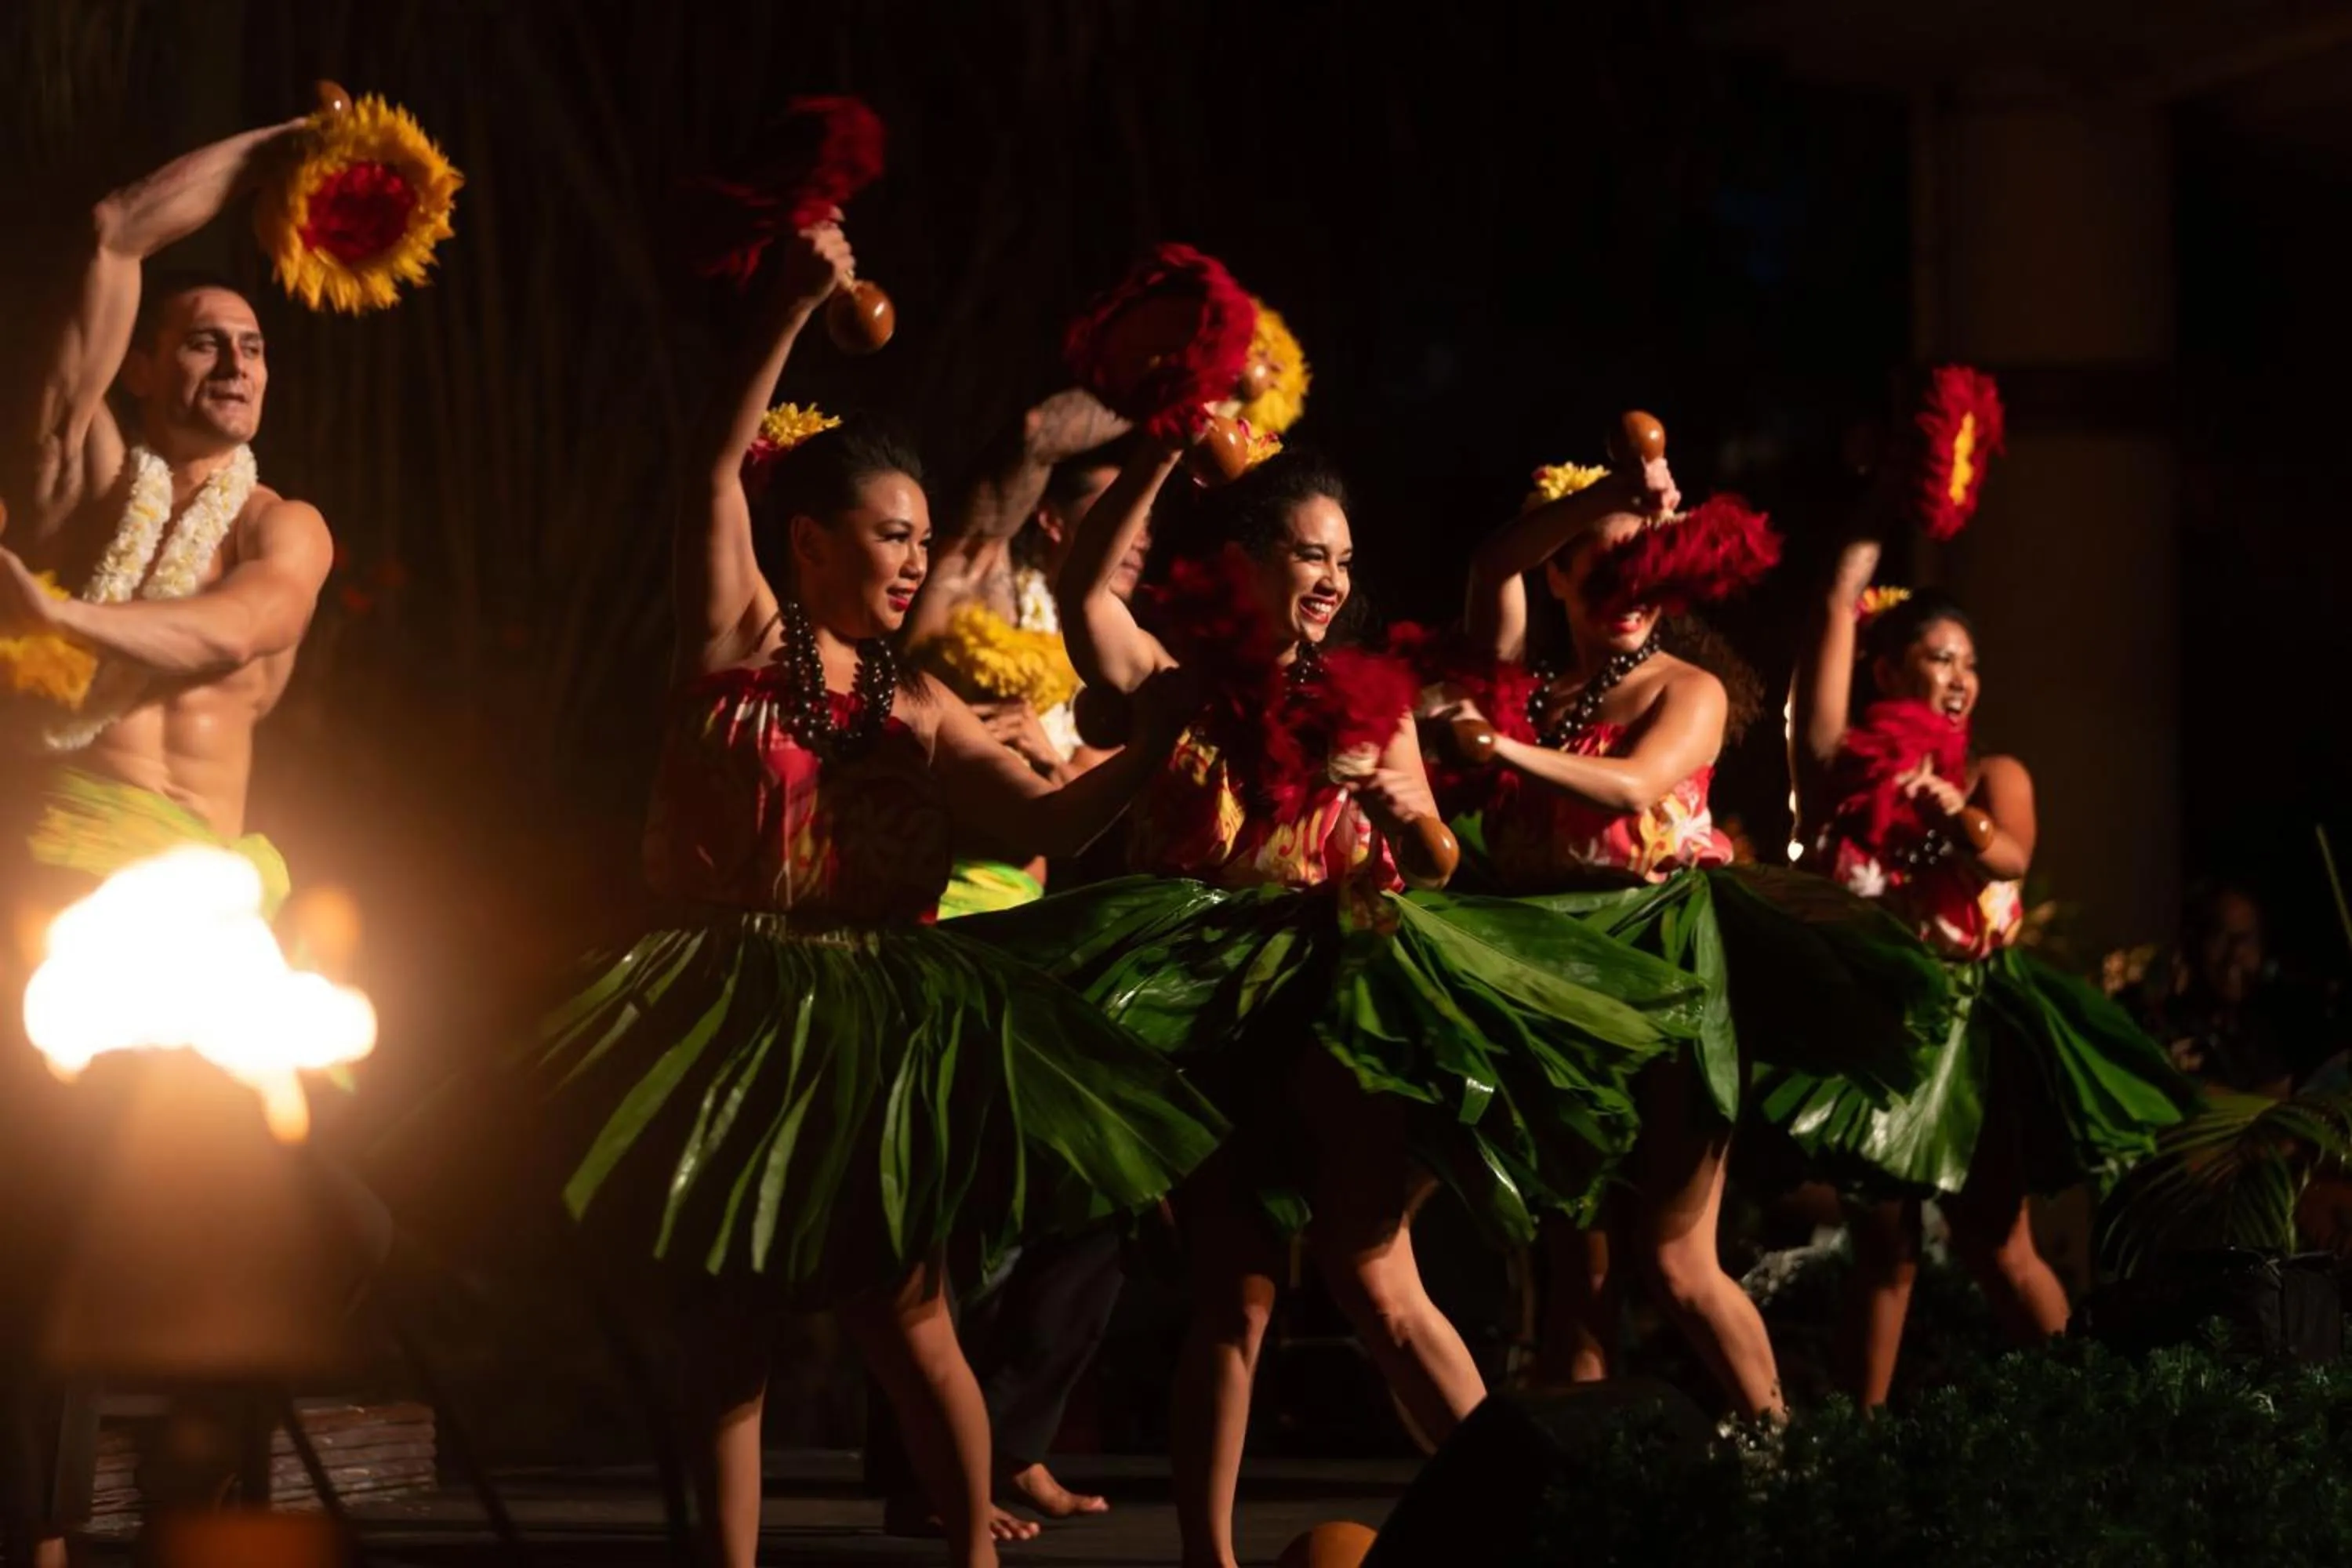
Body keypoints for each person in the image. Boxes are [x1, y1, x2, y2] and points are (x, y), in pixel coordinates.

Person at [522, 219, 1224, 1568]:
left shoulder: (922, 702)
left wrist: (1151, 749)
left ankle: (971, 1554)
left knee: (906, 1312)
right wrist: (790, 308)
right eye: (890, 536)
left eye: (922, 540)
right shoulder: (733, 633)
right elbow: (710, 464)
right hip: (731, 996)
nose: (914, 562)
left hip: (877, 1012)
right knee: (729, 1322)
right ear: (806, 541)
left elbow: (1048, 817)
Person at [967, 434, 1704, 1568]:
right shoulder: (1171, 679)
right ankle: (1210, 1559)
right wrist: (1163, 443)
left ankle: (1537, 1524)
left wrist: (1402, 808)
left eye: (1345, 561)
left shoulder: (1373, 698)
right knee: (1236, 1298)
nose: (1332, 579)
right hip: (1209, 1000)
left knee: (1376, 1273)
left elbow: (1436, 857)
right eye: (1311, 555)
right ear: (1247, 560)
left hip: (1339, 992)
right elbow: (1082, 590)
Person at [0, 115, 335, 1568]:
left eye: (254, 346)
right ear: (140, 368)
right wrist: (283, 151)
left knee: (288, 1227)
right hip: (53, 901)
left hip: (201, 922)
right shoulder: (79, 490)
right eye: (204, 341)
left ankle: (211, 1516)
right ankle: (38, 1533)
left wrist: (62, 622)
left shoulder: (284, 527)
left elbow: (235, 633)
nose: (236, 365)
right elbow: (110, 232)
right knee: (43, 1226)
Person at [1425, 456, 1928, 1421]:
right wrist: (1607, 495)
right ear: (1558, 573)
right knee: (1577, 1262)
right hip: (1551, 972)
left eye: (1647, 570)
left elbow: (1632, 786)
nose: (1629, 593)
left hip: (1667, 968)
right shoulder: (1528, 684)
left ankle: (1785, 1456)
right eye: (1603, 568)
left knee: (1674, 1255)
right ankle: (1578, 1486)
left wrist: (1499, 748)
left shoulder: (1688, 689)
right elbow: (1492, 566)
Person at [1766, 538, 2194, 1406]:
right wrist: (1855, 561)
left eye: (1971, 663)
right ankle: (1854, 1446)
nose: (1961, 677)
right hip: (1880, 1025)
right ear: (1888, 671)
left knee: (1998, 1244)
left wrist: (1960, 820)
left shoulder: (1993, 774)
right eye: (1940, 658)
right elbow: (1826, 653)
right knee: (1883, 1251)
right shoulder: (1842, 779)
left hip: (1969, 1025)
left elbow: (2012, 857)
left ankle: (2093, 1415)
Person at [862, 406, 1151, 1531]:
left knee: (1097, 1188)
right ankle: (936, 1474)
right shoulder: (970, 590)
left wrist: (1052, 757)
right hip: (939, 922)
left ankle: (1007, 1442)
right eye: (1115, 517)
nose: (1138, 541)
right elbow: (1022, 455)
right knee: (951, 1212)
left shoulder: (1088, 634)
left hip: (1032, 925)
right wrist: (1157, 389)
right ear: (1054, 522)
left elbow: (1092, 781)